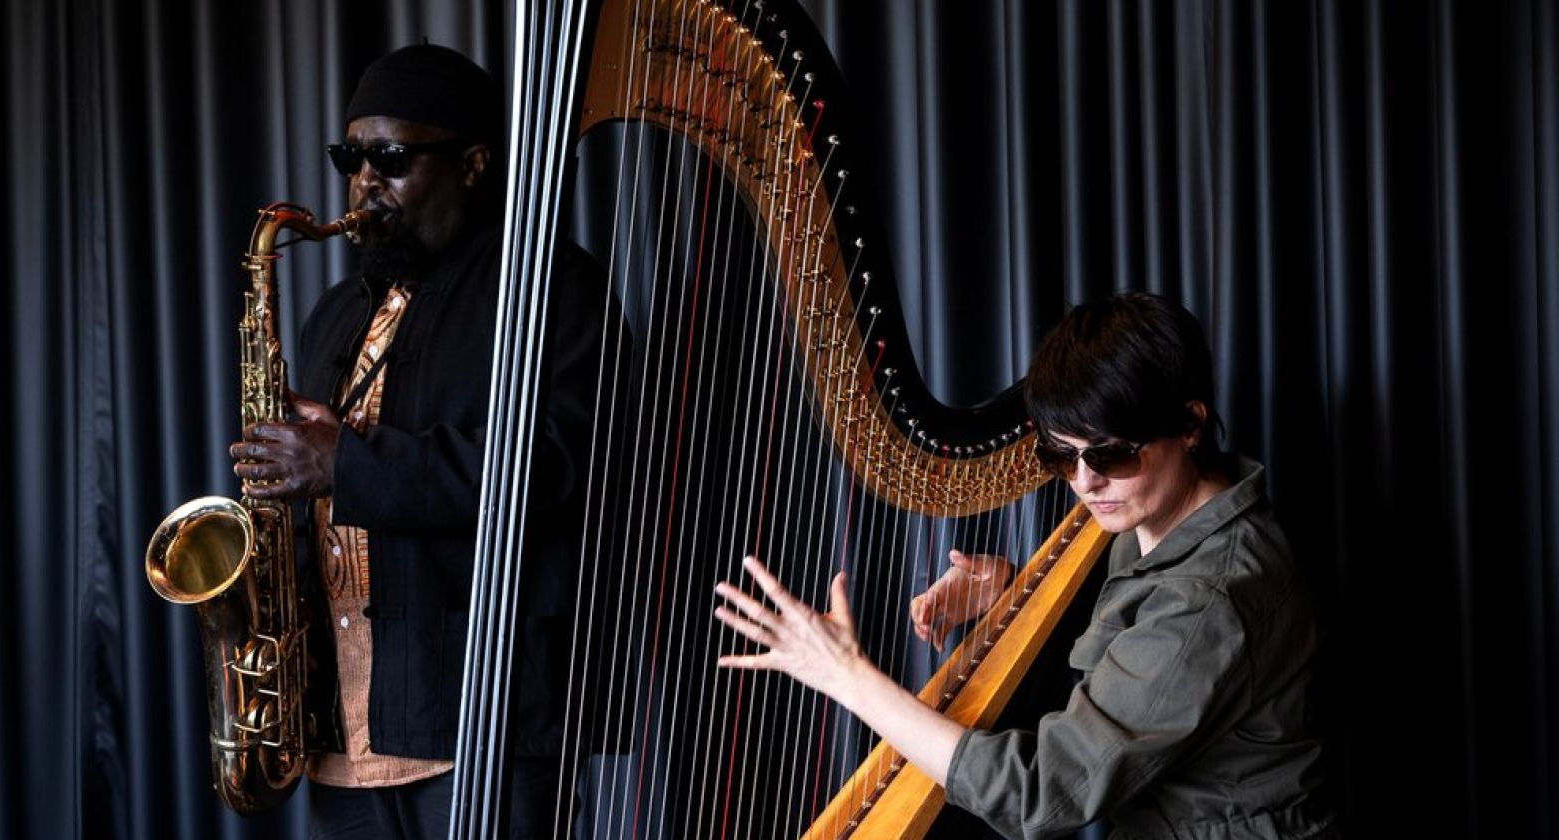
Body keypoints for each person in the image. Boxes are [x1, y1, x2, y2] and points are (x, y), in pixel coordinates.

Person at [713, 292, 1338, 838]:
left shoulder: (1209, 595)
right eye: (1061, 458)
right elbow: (1141, 653)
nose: (1087, 483)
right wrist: (1009, 587)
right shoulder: (1173, 514)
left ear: (1191, 425)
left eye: (1112, 454)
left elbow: (1042, 796)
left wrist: (848, 676)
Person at [228, 44, 608, 839]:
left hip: (477, 726)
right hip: (340, 735)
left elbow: (552, 468)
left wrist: (344, 461)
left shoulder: (548, 290)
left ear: (472, 165)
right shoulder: (336, 310)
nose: (365, 181)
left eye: (391, 157)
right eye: (351, 157)